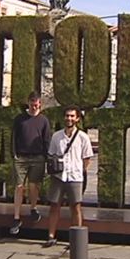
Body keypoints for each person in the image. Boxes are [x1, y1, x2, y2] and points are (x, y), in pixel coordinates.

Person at [44, 105, 93, 247]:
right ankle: (51, 235)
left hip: (75, 177)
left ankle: (77, 238)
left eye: (72, 116)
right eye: (67, 116)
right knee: (54, 205)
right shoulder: (56, 136)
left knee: (76, 206)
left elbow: (87, 158)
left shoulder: (83, 137)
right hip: (59, 176)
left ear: (77, 118)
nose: (69, 118)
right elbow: (51, 154)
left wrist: (79, 170)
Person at [9, 91, 51, 235]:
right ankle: (16, 217)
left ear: (40, 104)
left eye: (36, 104)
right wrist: (14, 154)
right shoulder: (19, 119)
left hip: (38, 157)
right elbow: (14, 137)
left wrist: (46, 157)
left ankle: (33, 208)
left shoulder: (44, 120)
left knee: (34, 186)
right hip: (21, 157)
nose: (34, 107)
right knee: (19, 186)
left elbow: (46, 140)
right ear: (28, 103)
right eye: (32, 104)